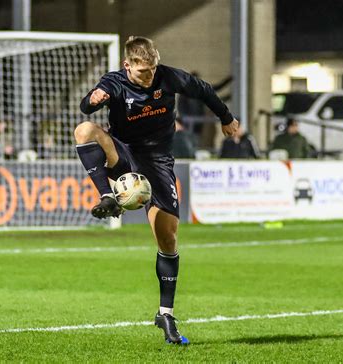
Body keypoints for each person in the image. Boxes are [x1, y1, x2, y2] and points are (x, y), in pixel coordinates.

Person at [75, 36, 239, 345]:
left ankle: (165, 314)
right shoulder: (114, 82)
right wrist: (92, 100)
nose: (149, 76)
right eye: (142, 71)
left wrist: (226, 118)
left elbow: (202, 90)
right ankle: (107, 196)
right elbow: (86, 108)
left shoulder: (167, 76)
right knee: (84, 131)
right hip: (123, 152)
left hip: (159, 162)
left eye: (152, 69)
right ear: (128, 66)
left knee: (169, 238)